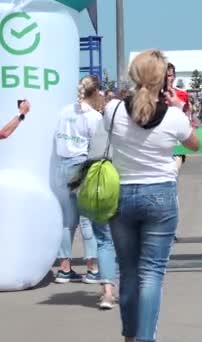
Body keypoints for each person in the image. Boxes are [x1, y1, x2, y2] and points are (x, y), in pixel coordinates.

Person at [105, 50, 200, 342]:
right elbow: (194, 144)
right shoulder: (173, 117)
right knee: (152, 273)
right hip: (159, 194)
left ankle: (130, 336)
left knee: (129, 271)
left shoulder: (113, 109)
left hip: (120, 194)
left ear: (134, 75)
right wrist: (179, 108)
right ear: (163, 79)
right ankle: (146, 338)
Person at [53, 76, 105, 285]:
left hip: (61, 166)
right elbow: (97, 147)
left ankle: (64, 268)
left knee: (67, 220)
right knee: (87, 219)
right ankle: (92, 268)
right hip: (80, 167)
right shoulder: (93, 117)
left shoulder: (64, 112)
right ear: (95, 92)